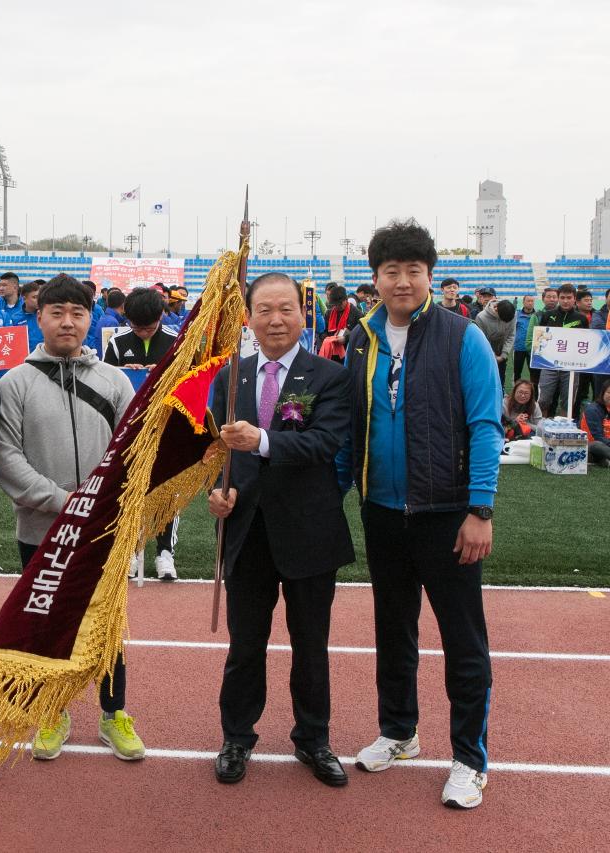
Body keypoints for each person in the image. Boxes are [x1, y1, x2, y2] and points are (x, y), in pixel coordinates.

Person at [336, 219, 503, 810]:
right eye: (390, 272)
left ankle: (469, 759)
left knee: (463, 640)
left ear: (429, 276)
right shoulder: (361, 339)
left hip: (448, 513)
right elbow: (351, 429)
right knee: (393, 629)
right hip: (382, 512)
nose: (401, 281)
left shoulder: (463, 337)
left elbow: (486, 426)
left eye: (413, 271)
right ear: (374, 278)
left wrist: (480, 509)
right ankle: (400, 731)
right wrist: (333, 499)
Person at [207, 272, 354, 788]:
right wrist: (218, 494)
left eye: (286, 309)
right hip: (247, 534)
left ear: (303, 313)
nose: (275, 319)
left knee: (310, 644)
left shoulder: (330, 376)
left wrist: (263, 440)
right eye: (264, 309)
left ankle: (314, 738)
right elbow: (217, 453)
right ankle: (236, 737)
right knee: (246, 644)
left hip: (310, 533)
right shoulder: (231, 376)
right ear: (248, 316)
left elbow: (324, 444)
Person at [0, 274, 145, 762]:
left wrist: (102, 507)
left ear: (89, 319)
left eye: (77, 313)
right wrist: (62, 501)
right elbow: (5, 456)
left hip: (104, 531)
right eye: (57, 312)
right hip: (41, 530)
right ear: (39, 318)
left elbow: (134, 453)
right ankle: (52, 712)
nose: (67, 322)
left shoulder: (113, 380)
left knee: (107, 626)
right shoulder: (16, 382)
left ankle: (113, 713)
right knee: (45, 623)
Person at [103, 288, 182, 578]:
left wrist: (160, 373)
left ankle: (164, 553)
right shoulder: (117, 342)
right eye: (137, 327)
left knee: (166, 490)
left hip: (166, 427)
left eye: (149, 328)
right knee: (128, 489)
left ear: (161, 316)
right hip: (130, 429)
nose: (144, 333)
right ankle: (131, 550)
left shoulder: (177, 342)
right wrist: (125, 371)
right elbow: (105, 383)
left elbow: (188, 383)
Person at [535, 283, 590, 417]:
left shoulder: (581, 319)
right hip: (549, 365)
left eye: (569, 298)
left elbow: (586, 342)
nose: (566, 301)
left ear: (574, 298)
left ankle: (564, 431)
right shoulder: (548, 315)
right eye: (563, 297)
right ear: (558, 298)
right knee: (543, 400)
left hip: (571, 367)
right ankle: (540, 428)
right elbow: (540, 338)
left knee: (568, 401)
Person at [474, 297, 515, 388]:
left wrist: (503, 355)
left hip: (502, 355)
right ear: (496, 309)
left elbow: (511, 335)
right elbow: (481, 340)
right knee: (486, 382)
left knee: (501, 381)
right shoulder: (481, 317)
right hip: (485, 355)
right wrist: (492, 356)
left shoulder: (511, 314)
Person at [319, 283, 359, 362]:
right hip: (331, 354)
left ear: (346, 300)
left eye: (340, 304)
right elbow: (322, 332)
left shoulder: (356, 313)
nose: (337, 307)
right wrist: (329, 338)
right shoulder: (329, 313)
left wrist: (346, 338)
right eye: (335, 305)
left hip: (348, 353)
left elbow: (360, 333)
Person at [581, 384, 610, 468]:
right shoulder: (593, 410)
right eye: (609, 392)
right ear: (603, 393)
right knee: (596, 445)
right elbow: (596, 437)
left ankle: (604, 461)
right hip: (591, 445)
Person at [513, 295, 536, 384]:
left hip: (533, 349)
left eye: (532, 301)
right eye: (528, 301)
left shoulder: (537, 315)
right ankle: (515, 390)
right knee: (517, 372)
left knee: (533, 373)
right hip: (519, 348)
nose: (530, 303)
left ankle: (533, 393)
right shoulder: (517, 314)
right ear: (523, 302)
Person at [17, 279, 43, 350]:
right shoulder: (15, 318)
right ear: (24, 299)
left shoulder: (45, 314)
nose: (38, 300)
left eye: (39, 296)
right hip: (26, 358)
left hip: (44, 356)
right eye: (34, 297)